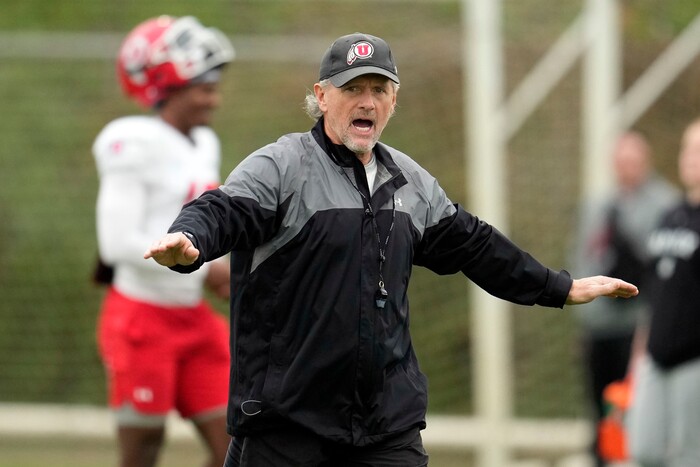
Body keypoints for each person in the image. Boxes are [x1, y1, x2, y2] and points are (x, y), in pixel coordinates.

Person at [143, 32, 638, 467]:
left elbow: (475, 245)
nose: (367, 101)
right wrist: (191, 241)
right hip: (286, 425)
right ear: (321, 96)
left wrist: (559, 287)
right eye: (352, 88)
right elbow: (222, 211)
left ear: (393, 101)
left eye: (378, 90)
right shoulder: (281, 166)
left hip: (385, 427)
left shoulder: (412, 183)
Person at [93, 15, 235, 467]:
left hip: (192, 317)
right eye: (203, 87)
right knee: (143, 453)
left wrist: (225, 263)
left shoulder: (204, 143)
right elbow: (117, 243)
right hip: (140, 319)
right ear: (167, 89)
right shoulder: (132, 142)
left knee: (240, 445)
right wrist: (197, 262)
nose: (213, 98)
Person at [570, 131, 679, 466]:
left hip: (640, 327)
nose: (626, 167)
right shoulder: (598, 204)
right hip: (599, 326)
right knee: (599, 408)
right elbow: (582, 255)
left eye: (632, 160)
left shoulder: (665, 204)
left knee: (640, 406)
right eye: (620, 160)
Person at [627, 118, 700, 467]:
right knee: (644, 450)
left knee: (688, 457)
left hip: (694, 360)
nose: (689, 157)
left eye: (698, 150)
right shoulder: (670, 215)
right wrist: (638, 354)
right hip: (655, 355)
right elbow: (655, 293)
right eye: (687, 148)